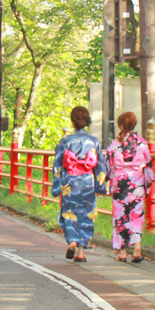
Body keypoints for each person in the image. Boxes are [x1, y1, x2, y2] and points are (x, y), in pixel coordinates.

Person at [51, 106, 107, 262]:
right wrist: (100, 185)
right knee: (87, 214)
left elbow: (58, 166)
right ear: (87, 121)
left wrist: (57, 185)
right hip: (87, 182)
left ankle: (72, 241)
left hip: (70, 182)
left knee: (69, 213)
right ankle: (81, 252)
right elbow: (100, 166)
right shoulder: (94, 141)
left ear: (72, 121)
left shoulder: (65, 141)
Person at [105, 112, 153, 263]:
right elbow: (149, 168)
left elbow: (107, 166)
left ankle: (123, 252)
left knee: (121, 217)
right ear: (134, 125)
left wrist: (106, 181)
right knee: (136, 216)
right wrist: (148, 186)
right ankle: (137, 247)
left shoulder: (114, 145)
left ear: (120, 125)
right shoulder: (142, 144)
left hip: (120, 186)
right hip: (137, 186)